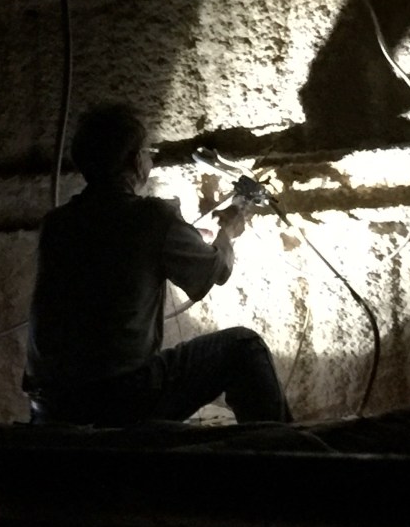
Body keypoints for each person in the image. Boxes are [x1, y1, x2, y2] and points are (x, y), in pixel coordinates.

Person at [23, 102, 291, 427]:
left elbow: (115, 249)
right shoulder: (151, 217)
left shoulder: (57, 223)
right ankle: (281, 449)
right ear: (136, 161)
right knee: (243, 347)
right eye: (148, 152)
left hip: (51, 405)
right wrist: (228, 232)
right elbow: (214, 271)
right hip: (119, 400)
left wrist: (185, 237)